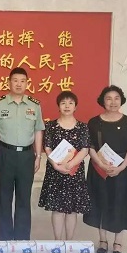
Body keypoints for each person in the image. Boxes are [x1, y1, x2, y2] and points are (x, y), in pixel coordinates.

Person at [0, 68, 45, 241]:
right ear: (9, 82)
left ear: (27, 83)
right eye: (15, 80)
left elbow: (38, 131)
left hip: (26, 156)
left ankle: (22, 240)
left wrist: (38, 156)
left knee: (24, 198)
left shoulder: (34, 105)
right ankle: (5, 240)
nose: (19, 84)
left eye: (22, 81)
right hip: (5, 154)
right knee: (4, 198)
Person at [84, 85, 127, 253]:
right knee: (100, 201)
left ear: (121, 100)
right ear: (102, 101)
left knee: (120, 203)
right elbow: (90, 147)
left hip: (121, 170)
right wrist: (101, 164)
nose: (113, 102)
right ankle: (103, 240)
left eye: (116, 98)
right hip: (98, 169)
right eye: (108, 98)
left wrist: (121, 167)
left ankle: (118, 243)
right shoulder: (94, 122)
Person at [38, 91, 91, 239]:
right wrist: (56, 165)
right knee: (57, 209)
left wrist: (71, 164)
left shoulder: (82, 127)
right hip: (55, 171)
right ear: (58, 106)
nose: (67, 106)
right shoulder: (51, 126)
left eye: (70, 103)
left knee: (72, 209)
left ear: (75, 107)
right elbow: (47, 147)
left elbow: (85, 149)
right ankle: (58, 241)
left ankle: (69, 242)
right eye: (63, 103)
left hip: (75, 172)